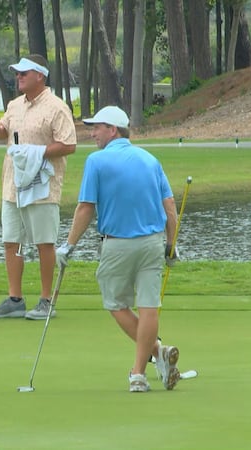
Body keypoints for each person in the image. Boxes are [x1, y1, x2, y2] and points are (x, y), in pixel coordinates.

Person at [56, 105, 181, 392]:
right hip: (152, 243)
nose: (92, 134)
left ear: (113, 130)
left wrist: (68, 245)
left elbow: (86, 207)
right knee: (149, 306)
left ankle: (150, 361)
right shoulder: (150, 159)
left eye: (97, 128)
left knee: (116, 305)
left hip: (117, 244)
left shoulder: (96, 161)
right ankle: (146, 365)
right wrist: (171, 244)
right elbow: (169, 206)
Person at [0, 54, 77, 320]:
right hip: (13, 185)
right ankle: (15, 299)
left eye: (24, 73)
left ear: (40, 76)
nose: (18, 77)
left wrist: (36, 152)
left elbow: (69, 145)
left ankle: (46, 301)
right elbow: (6, 132)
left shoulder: (57, 107)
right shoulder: (14, 105)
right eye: (17, 73)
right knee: (11, 241)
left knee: (44, 243)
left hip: (42, 186)